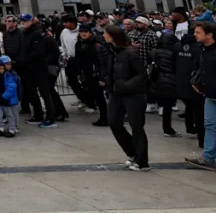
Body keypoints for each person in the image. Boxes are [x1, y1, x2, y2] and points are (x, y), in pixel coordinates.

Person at [103, 25, 150, 171]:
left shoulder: (130, 53)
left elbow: (142, 74)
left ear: (113, 36)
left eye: (106, 33)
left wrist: (126, 85)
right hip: (116, 93)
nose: (104, 35)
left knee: (136, 126)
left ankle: (142, 161)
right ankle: (133, 152)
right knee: (114, 122)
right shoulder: (111, 52)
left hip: (133, 94)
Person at [185, 21, 216, 171]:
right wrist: (196, 81)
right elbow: (201, 69)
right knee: (210, 126)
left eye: (198, 33)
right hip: (210, 95)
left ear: (209, 35)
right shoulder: (202, 49)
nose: (194, 35)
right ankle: (208, 157)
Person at [74, 23, 109, 127]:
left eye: (85, 32)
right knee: (95, 96)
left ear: (90, 33)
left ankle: (105, 117)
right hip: (86, 73)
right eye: (81, 32)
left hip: (96, 73)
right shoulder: (79, 43)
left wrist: (102, 76)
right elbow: (78, 58)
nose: (83, 33)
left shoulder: (96, 44)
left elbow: (102, 61)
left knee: (100, 97)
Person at [150, 31, 180, 137]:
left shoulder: (154, 52)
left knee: (165, 106)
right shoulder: (175, 52)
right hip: (172, 79)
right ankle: (168, 129)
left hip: (158, 79)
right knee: (170, 105)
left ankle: (167, 128)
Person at [0, 56, 22, 137]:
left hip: (6, 99)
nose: (9, 66)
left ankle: (12, 129)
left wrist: (4, 96)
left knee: (10, 115)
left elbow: (12, 87)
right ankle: (1, 128)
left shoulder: (9, 75)